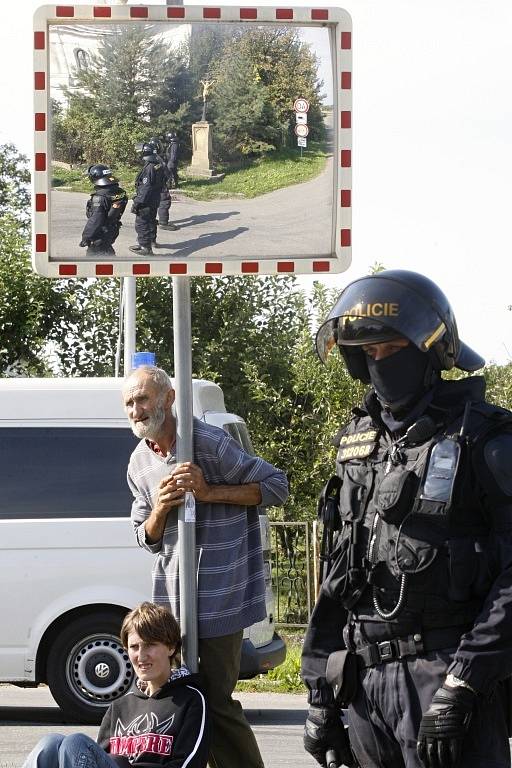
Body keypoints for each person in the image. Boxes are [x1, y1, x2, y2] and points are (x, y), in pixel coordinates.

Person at [301, 269, 512, 768]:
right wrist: (321, 692)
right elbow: (338, 576)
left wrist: (465, 681)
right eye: (368, 354)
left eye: (391, 350)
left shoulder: (486, 440)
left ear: (430, 351)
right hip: (364, 687)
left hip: (445, 676)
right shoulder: (358, 444)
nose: (379, 364)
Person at [122, 365, 289, 768]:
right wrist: (161, 507)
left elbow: (276, 486)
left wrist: (209, 490)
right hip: (172, 606)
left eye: (142, 398)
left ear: (168, 399)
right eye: (129, 402)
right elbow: (144, 536)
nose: (135, 410)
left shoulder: (208, 443)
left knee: (215, 700)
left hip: (221, 599)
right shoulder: (139, 462)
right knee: (179, 698)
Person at [22, 602, 209, 768]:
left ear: (171, 647)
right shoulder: (120, 706)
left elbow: (189, 763)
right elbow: (98, 756)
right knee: (50, 743)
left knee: (75, 743)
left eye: (150, 645)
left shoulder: (190, 699)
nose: (141, 656)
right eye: (134, 647)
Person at [79, 164, 127, 256]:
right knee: (106, 248)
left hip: (100, 233)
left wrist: (86, 237)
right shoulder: (120, 192)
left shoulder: (99, 197)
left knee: (94, 256)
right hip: (113, 228)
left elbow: (96, 220)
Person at [129, 143, 166, 256]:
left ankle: (145, 247)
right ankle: (150, 241)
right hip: (155, 198)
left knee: (142, 223)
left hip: (147, 200)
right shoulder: (158, 163)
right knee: (151, 221)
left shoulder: (149, 167)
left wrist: (138, 202)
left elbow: (146, 187)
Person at [148, 137, 178, 234]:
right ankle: (163, 222)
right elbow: (164, 171)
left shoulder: (149, 157)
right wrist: (169, 178)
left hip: (152, 185)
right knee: (165, 201)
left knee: (153, 202)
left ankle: (154, 221)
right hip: (159, 184)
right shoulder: (157, 158)